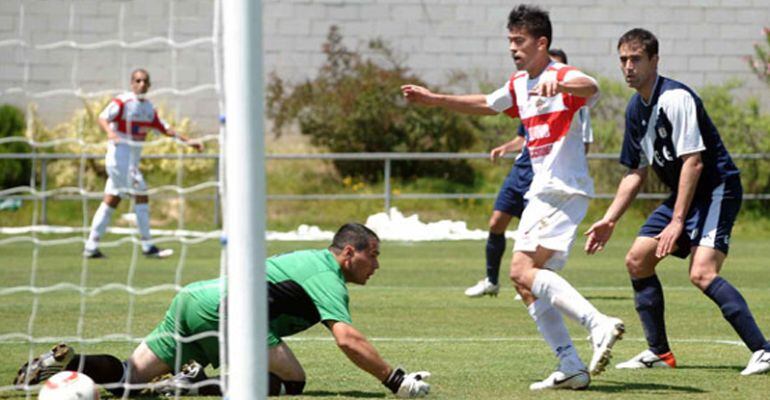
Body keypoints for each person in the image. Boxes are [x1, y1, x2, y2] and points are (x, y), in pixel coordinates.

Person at [402, 4, 623, 390]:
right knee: (529, 281)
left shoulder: (560, 75)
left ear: (542, 43)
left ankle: (597, 324)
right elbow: (487, 103)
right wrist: (435, 100)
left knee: (520, 271)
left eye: (519, 41)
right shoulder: (520, 82)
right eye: (510, 41)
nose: (513, 48)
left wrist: (563, 84)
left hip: (559, 187)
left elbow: (592, 87)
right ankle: (570, 364)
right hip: (551, 189)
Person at [15, 223, 432, 397]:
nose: (376, 265)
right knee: (294, 382)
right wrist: (395, 380)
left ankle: (64, 363)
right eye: (372, 255)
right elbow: (348, 339)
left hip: (193, 298)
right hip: (231, 313)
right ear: (347, 253)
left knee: (128, 382)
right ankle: (193, 386)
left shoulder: (307, 261)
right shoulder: (326, 274)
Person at [584, 28, 770, 375]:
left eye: (636, 59)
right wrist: (609, 220)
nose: (628, 66)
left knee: (701, 273)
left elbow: (694, 162)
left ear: (654, 61)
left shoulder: (676, 98)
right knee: (638, 260)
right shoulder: (634, 109)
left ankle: (763, 349)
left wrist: (677, 220)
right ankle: (659, 352)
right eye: (623, 59)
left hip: (717, 188)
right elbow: (635, 173)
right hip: (687, 193)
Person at [465, 48, 594, 299]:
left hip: (549, 178)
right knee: (496, 222)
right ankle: (493, 279)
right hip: (522, 169)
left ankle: (532, 278)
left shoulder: (574, 103)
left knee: (534, 249)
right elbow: (522, 135)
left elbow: (588, 92)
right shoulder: (528, 93)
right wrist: (505, 147)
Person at [83, 68, 203, 259]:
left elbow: (166, 129)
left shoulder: (148, 108)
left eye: (145, 81)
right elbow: (102, 117)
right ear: (132, 83)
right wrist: (110, 132)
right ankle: (148, 246)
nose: (141, 84)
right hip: (118, 159)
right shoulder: (122, 101)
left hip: (129, 163)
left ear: (149, 85)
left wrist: (189, 141)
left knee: (111, 200)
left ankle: (91, 246)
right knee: (142, 194)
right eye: (138, 81)